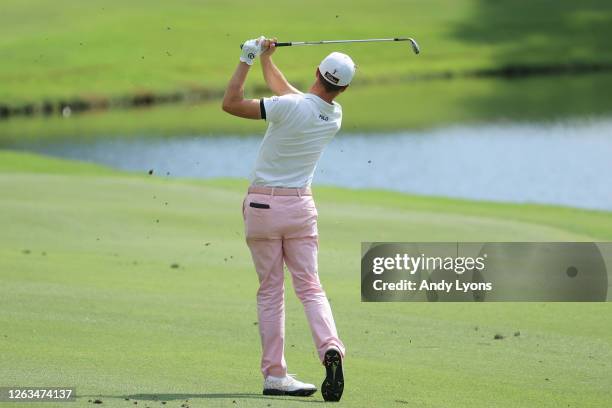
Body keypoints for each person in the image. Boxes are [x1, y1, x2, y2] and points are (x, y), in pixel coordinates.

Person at [222, 36, 354, 402]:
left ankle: (276, 376)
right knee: (310, 287)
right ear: (343, 88)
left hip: (263, 209)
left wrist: (247, 57)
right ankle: (331, 348)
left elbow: (230, 103)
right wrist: (268, 60)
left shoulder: (288, 107)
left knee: (270, 292)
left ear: (316, 72)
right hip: (300, 210)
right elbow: (295, 96)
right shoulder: (332, 116)